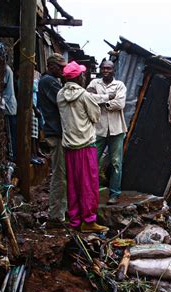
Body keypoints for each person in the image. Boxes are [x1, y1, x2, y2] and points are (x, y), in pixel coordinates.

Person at [57, 61, 108, 233]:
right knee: (88, 184)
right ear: (79, 77)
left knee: (73, 184)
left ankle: (75, 219)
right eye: (82, 74)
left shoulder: (60, 95)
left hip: (69, 146)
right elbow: (95, 116)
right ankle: (88, 220)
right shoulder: (85, 96)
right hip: (86, 145)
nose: (84, 76)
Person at [86, 60, 127, 205]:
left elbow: (120, 104)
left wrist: (101, 101)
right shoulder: (94, 83)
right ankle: (92, 192)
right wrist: (107, 97)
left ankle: (114, 193)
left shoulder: (120, 85)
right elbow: (88, 98)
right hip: (99, 129)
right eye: (103, 68)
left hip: (117, 130)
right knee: (92, 162)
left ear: (114, 70)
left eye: (109, 68)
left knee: (116, 163)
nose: (105, 70)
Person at [38, 53, 67, 224]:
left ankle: (60, 211)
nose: (63, 70)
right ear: (51, 66)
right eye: (60, 67)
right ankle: (56, 215)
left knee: (61, 174)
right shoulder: (48, 81)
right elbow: (65, 99)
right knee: (59, 175)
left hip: (56, 132)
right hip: (55, 133)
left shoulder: (51, 80)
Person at [1, 64, 18, 161]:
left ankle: (12, 156)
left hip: (8, 106)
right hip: (9, 104)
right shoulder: (8, 69)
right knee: (11, 131)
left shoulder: (5, 69)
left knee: (10, 132)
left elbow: (1, 84)